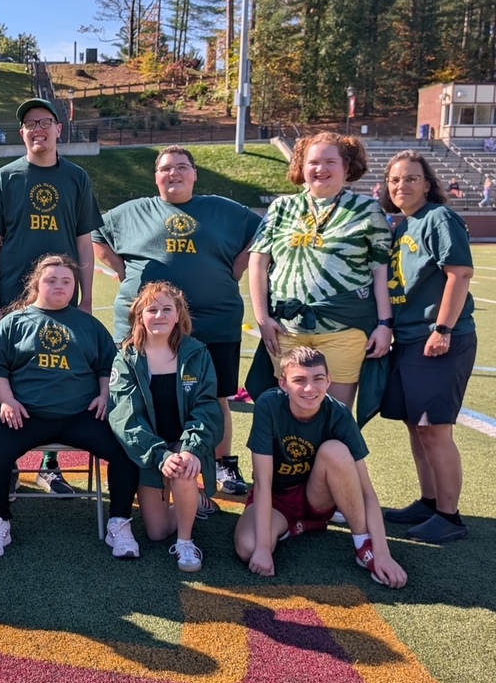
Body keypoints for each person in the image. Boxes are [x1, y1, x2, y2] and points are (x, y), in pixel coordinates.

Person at [93, 146, 259, 498]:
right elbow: (96, 233)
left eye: (182, 167)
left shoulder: (225, 210)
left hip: (214, 322)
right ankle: (148, 463)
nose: (174, 174)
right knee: (142, 395)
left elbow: (263, 235)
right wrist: (123, 271)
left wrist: (237, 268)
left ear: (195, 174)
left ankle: (224, 463)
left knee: (216, 395)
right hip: (146, 325)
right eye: (166, 168)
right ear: (156, 176)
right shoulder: (134, 211)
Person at [0, 255, 141, 560]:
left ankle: (119, 522)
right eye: (51, 280)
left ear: (74, 287)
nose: (59, 286)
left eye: (66, 281)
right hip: (26, 413)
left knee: (127, 444)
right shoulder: (14, 323)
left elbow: (108, 365)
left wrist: (104, 395)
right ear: (36, 283)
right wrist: (7, 400)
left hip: (80, 414)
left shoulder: (88, 325)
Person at [0, 97, 103, 495]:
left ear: (58, 129)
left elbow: (85, 245)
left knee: (60, 370)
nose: (38, 129)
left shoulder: (77, 178)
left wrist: (84, 300)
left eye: (45, 122)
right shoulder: (6, 177)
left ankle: (51, 465)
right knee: (16, 379)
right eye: (30, 123)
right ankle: (11, 461)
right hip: (14, 297)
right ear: (22, 133)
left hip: (64, 299)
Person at [234, 347, 407, 588]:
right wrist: (263, 549)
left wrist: (383, 553)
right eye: (299, 380)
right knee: (248, 548)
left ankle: (361, 543)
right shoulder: (268, 406)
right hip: (277, 500)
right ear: (283, 384)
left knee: (334, 450)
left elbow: (366, 490)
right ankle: (298, 526)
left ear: (328, 381)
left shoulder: (338, 413)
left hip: (318, 495)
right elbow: (262, 483)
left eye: (317, 379)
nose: (309, 388)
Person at [248, 132, 393, 411]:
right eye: (313, 162)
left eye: (330, 161)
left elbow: (379, 272)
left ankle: (336, 458)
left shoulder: (367, 210)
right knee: (289, 422)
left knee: (334, 419)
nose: (321, 169)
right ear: (301, 168)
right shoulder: (282, 208)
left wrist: (385, 324)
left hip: (344, 330)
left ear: (346, 167)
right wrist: (262, 318)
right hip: (287, 330)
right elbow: (258, 262)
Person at [378, 150, 476, 544]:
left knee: (435, 431)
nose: (402, 186)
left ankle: (449, 517)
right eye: (395, 180)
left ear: (428, 183)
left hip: (437, 339)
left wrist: (443, 327)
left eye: (412, 178)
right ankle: (430, 500)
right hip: (410, 338)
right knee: (416, 427)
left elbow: (460, 273)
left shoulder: (438, 217)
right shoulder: (404, 225)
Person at [108, 282, 224, 572]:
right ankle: (192, 503)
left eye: (166, 309)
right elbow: (125, 417)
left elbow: (207, 406)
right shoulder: (127, 358)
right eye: (152, 309)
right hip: (152, 450)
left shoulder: (197, 353)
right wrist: (160, 456)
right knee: (156, 532)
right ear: (140, 316)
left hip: (184, 443)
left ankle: (186, 542)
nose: (159, 315)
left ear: (177, 316)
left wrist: (192, 449)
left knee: (184, 469)